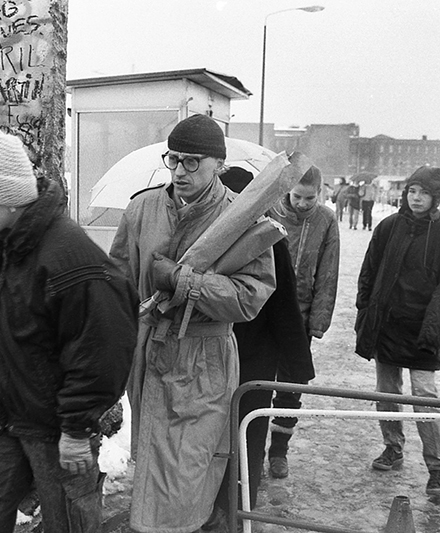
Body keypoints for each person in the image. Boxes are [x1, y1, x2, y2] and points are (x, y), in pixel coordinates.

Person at [0, 129, 138, 533]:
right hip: (1, 422)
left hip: (56, 432)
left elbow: (102, 350)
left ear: (4, 195)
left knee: (68, 526)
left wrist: (75, 429)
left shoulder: (70, 258)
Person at [109, 114, 276, 533]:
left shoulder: (243, 218)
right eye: (174, 160)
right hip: (150, 354)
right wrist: (130, 309)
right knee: (151, 465)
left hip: (205, 361)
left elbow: (249, 297)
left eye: (192, 162)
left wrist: (184, 282)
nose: (180, 171)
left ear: (218, 164)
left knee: (186, 474)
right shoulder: (141, 209)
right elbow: (117, 280)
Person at [209, 169, 314, 523]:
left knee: (247, 433)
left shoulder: (269, 240)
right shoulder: (206, 240)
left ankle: (239, 512)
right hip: (215, 353)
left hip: (253, 357)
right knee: (218, 434)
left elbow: (285, 307)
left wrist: (298, 366)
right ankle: (215, 509)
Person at [355, 165, 440, 496]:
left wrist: (434, 329)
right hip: (388, 326)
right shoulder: (388, 227)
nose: (416, 198)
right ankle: (392, 448)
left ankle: (438, 467)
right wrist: (365, 308)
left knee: (424, 397)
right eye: (412, 191)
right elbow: (369, 270)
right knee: (387, 391)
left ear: (435, 197)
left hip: (425, 328)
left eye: (423, 192)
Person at [267, 165, 340, 479]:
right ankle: (250, 447)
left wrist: (318, 321)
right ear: (288, 190)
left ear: (320, 193)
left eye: (310, 198)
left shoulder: (326, 220)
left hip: (300, 317)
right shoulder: (270, 211)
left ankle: (278, 452)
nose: (302, 203)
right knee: (255, 384)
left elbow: (328, 272)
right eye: (297, 196)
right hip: (263, 313)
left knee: (290, 386)